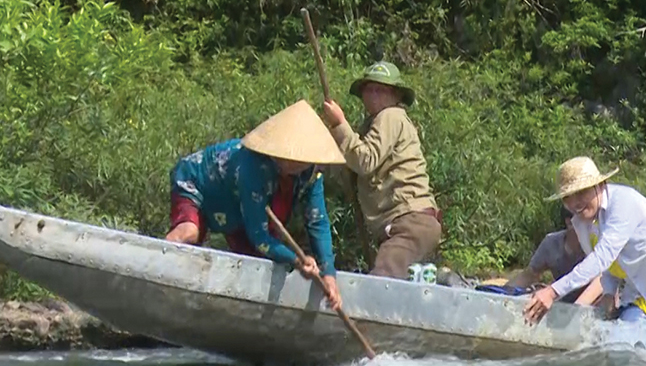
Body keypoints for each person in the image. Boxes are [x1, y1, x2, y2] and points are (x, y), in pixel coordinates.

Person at [165, 99, 344, 310]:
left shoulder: (312, 175)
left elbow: (318, 222)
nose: (292, 162)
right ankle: (158, 263)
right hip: (197, 184)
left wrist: (329, 274)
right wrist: (297, 260)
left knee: (258, 264)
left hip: (236, 210)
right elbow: (258, 235)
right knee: (190, 232)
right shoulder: (253, 167)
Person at [523, 156, 646, 334]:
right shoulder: (581, 223)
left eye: (581, 192)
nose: (574, 203)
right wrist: (608, 292)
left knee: (623, 346)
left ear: (600, 185)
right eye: (567, 197)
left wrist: (552, 291)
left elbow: (601, 258)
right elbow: (610, 266)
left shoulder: (624, 203)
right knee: (623, 346)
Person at [321, 60, 442, 279]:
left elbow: (365, 161)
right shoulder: (373, 125)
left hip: (409, 221)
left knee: (382, 279)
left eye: (382, 90)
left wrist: (340, 124)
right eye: (370, 89)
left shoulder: (391, 116)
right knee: (395, 284)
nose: (374, 95)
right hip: (408, 223)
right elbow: (352, 166)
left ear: (396, 96)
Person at [505, 205, 596, 303]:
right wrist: (502, 295)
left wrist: (578, 306)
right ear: (569, 222)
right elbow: (529, 275)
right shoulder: (551, 244)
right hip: (564, 305)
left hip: (596, 306)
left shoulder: (597, 244)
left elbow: (600, 281)